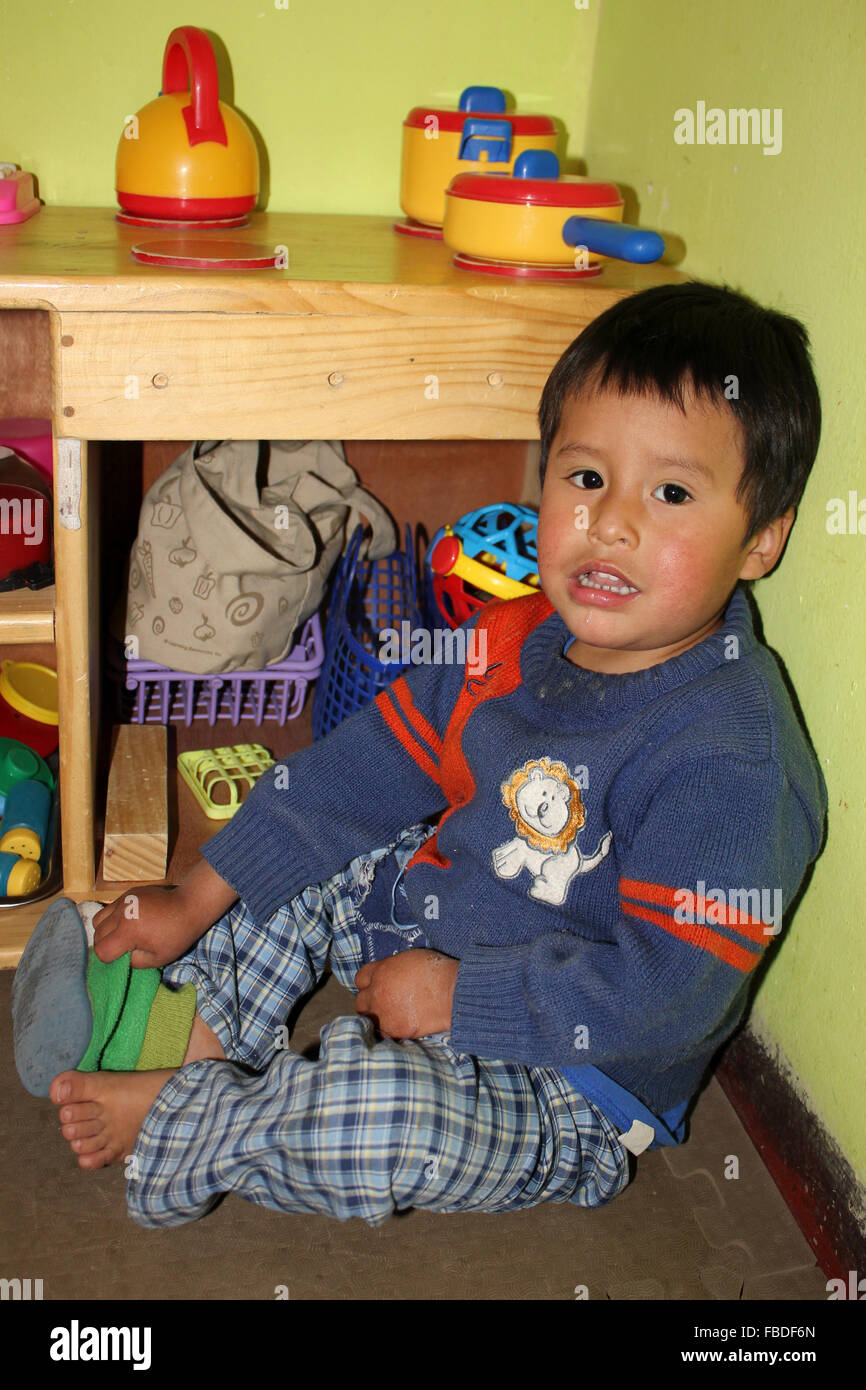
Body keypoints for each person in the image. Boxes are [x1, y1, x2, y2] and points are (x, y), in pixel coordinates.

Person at [22, 281, 827, 1228]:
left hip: (570, 1081)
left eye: (673, 492)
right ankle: (188, 1024)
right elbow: (356, 772)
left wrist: (460, 998)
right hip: (435, 918)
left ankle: (192, 1113)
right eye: (584, 477)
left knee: (390, 1124)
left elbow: (662, 996)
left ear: (761, 540)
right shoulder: (511, 636)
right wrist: (197, 893)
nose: (612, 522)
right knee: (322, 843)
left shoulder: (731, 756)